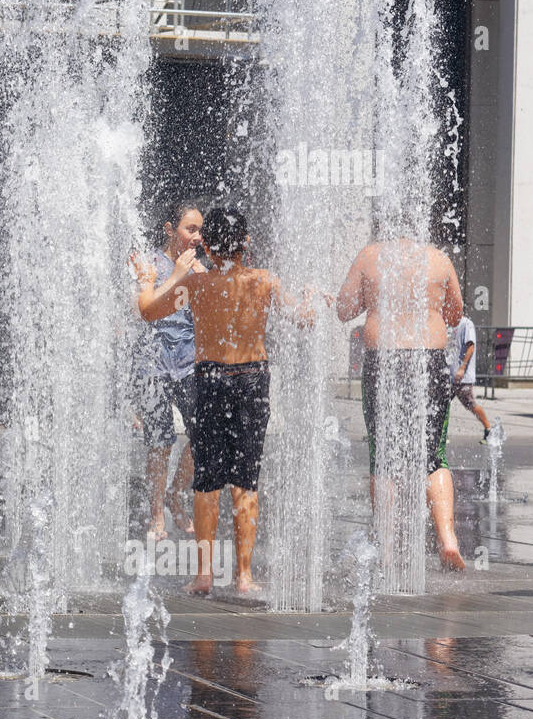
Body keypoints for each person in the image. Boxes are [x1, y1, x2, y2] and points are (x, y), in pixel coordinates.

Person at [136, 206, 314, 596]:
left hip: (211, 380)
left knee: (207, 482)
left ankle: (203, 576)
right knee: (245, 480)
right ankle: (245, 576)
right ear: (246, 244)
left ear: (210, 247)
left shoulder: (198, 285)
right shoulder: (266, 282)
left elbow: (148, 310)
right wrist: (310, 299)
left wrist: (150, 278)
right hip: (252, 381)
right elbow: (305, 318)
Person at [336, 222, 466, 571]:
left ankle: (388, 547)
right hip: (430, 359)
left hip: (385, 359)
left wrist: (375, 298)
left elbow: (345, 309)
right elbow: (455, 314)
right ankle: (447, 540)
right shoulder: (439, 259)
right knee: (433, 456)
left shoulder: (370, 256)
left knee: (384, 458)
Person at [131, 201, 203, 539]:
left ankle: (177, 492)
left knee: (204, 434)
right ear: (169, 229)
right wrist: (176, 276)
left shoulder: (200, 269)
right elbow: (143, 309)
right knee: (159, 442)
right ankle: (157, 514)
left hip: (188, 364)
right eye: (190, 229)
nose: (197, 237)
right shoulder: (148, 264)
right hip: (154, 365)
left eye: (200, 230)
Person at [447, 315, 493, 443]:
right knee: (442, 405)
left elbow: (470, 347)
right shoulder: (449, 322)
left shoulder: (466, 324)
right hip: (450, 376)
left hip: (463, 377)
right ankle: (442, 435)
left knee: (470, 405)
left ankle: (489, 430)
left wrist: (462, 367)